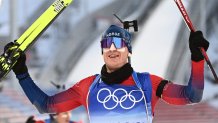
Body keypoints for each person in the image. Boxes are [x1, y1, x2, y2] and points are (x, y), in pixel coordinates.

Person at [6, 24, 209, 123]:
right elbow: (46, 105)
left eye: (119, 43)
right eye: (106, 44)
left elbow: (192, 95)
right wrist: (22, 72)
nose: (112, 48)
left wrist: (197, 59)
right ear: (102, 52)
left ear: (129, 50)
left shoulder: (148, 83)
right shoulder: (87, 87)